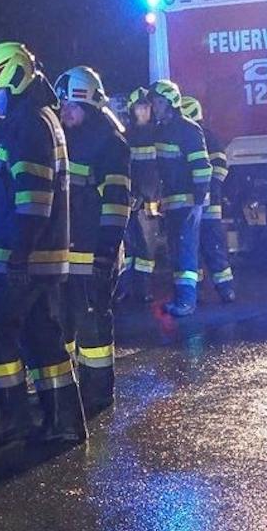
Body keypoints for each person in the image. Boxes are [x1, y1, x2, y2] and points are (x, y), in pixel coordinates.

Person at [0, 41, 83, 447]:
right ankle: (64, 421)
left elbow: (34, 199)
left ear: (14, 81)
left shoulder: (28, 124)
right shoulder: (37, 118)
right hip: (42, 256)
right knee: (43, 339)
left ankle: (8, 420)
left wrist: (19, 256)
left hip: (25, 256)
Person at [54, 66, 130, 415]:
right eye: (62, 105)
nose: (65, 112)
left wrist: (105, 253)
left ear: (89, 104)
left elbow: (116, 204)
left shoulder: (110, 143)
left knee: (94, 325)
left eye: (71, 105)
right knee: (64, 323)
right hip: (67, 253)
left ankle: (98, 395)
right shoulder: (66, 138)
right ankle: (69, 392)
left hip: (94, 252)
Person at [148, 79, 211, 317]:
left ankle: (187, 302)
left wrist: (198, 199)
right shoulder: (162, 130)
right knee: (176, 250)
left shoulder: (188, 129)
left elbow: (202, 167)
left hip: (187, 201)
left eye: (160, 102)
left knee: (185, 249)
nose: (156, 106)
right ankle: (180, 299)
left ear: (172, 103)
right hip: (173, 201)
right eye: (154, 102)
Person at [179, 96, 235, 303]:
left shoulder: (208, 138)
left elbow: (220, 169)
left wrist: (208, 189)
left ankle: (225, 288)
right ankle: (201, 288)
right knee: (195, 248)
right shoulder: (188, 135)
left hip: (208, 204)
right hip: (194, 203)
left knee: (212, 246)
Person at [119, 86, 160, 303]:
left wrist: (151, 196)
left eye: (146, 107)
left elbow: (161, 170)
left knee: (147, 245)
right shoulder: (127, 136)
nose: (143, 111)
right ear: (131, 109)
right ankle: (124, 288)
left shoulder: (158, 134)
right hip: (130, 199)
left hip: (150, 200)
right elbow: (124, 169)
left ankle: (143, 290)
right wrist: (131, 194)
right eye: (139, 107)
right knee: (127, 245)